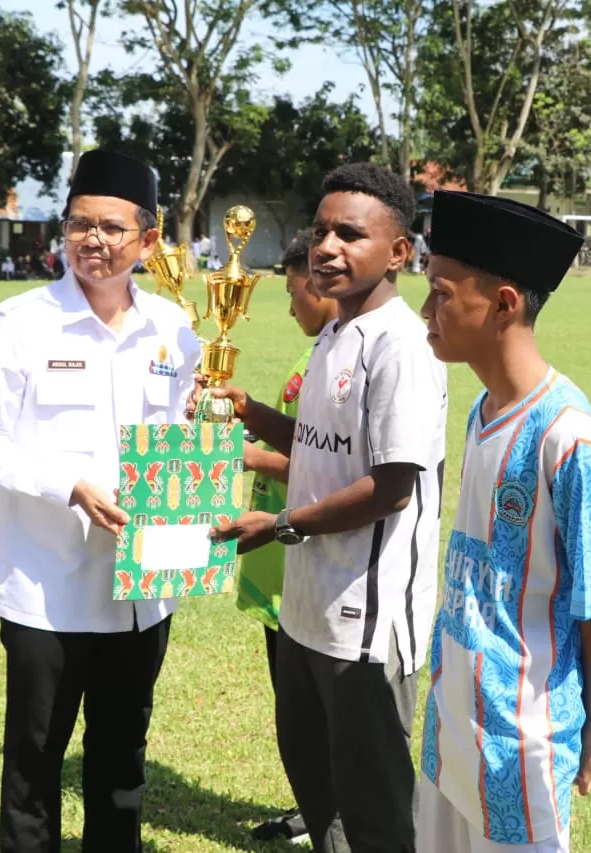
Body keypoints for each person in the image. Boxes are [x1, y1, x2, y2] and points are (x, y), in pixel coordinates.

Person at [0, 149, 200, 853]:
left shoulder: (177, 329)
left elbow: (188, 436)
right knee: (35, 757)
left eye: (112, 227)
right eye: (79, 224)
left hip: (142, 585)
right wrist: (67, 486)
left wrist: (206, 439)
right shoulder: (20, 320)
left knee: (122, 756)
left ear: (148, 240)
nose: (93, 240)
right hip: (47, 585)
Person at [208, 163, 448, 853]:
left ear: (398, 251)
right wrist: (251, 411)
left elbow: (391, 485)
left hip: (365, 624)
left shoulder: (402, 346)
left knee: (375, 813)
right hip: (306, 609)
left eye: (350, 234)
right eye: (320, 231)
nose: (327, 247)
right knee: (319, 793)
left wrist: (279, 524)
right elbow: (320, 445)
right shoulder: (334, 333)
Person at [415, 191, 591, 853]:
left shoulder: (570, 439)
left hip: (521, 746)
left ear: (505, 303)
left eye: (440, 292)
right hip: (452, 722)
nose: (425, 310)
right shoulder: (482, 409)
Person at [237, 229, 339, 844]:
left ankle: (332, 816)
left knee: (317, 714)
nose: (291, 305)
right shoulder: (317, 355)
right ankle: (314, 806)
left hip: (298, 549)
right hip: (279, 554)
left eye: (291, 290)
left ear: (315, 282)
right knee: (297, 711)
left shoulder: (334, 364)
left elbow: (326, 466)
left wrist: (248, 455)